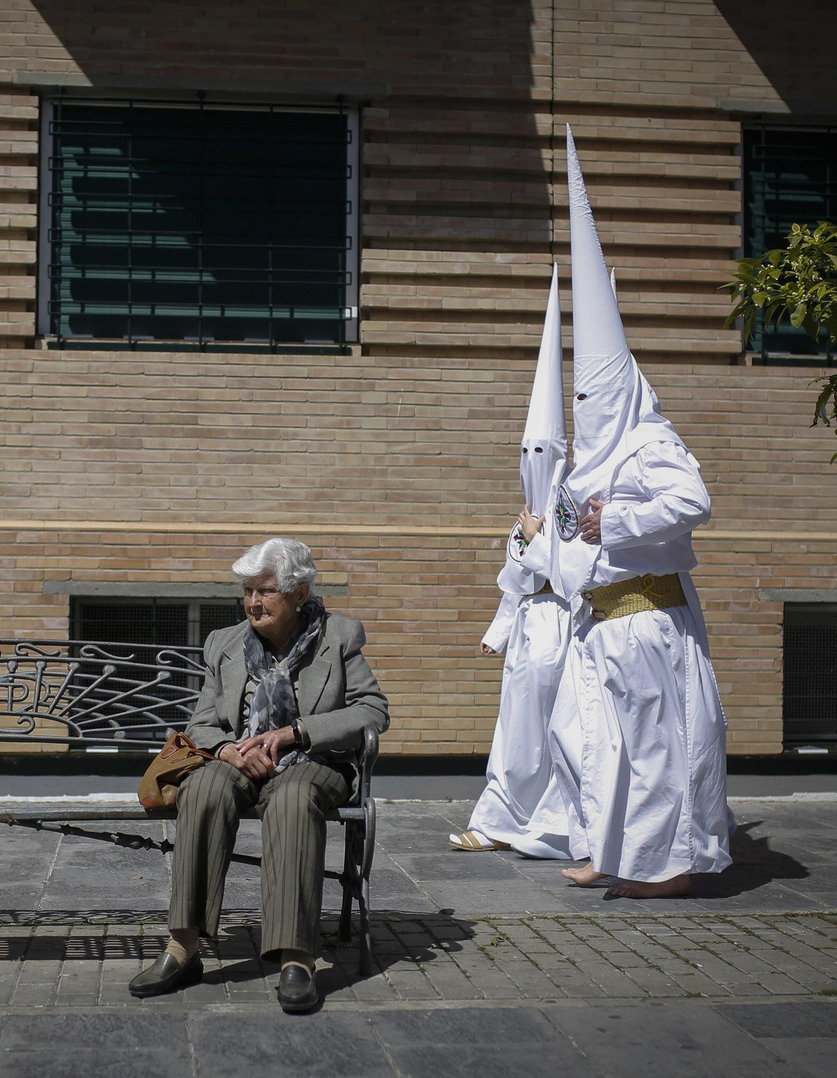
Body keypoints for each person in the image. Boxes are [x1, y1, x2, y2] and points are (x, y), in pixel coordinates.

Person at [522, 127, 732, 898]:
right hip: (599, 623)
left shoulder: (648, 441)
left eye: (592, 396)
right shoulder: (592, 457)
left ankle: (667, 864)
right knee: (602, 746)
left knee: (657, 747)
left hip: (647, 620)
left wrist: (612, 519)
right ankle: (612, 852)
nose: (585, 407)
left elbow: (692, 502)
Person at [129, 538, 389, 1012]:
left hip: (313, 764)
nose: (252, 602)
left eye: (265, 591)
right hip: (239, 763)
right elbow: (201, 724)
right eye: (247, 591)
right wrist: (228, 750)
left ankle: (297, 958)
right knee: (203, 786)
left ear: (299, 593)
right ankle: (183, 947)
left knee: (291, 800)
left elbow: (373, 712)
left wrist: (296, 732)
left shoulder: (340, 638)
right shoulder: (224, 644)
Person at [451, 266, 579, 860]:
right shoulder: (523, 513)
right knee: (516, 731)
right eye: (524, 451)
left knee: (557, 731)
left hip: (566, 629)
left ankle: (557, 823)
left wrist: (542, 537)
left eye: (541, 451)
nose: (531, 459)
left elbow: (576, 569)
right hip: (530, 629)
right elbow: (516, 583)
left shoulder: (576, 504)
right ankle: (500, 816)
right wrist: (499, 630)